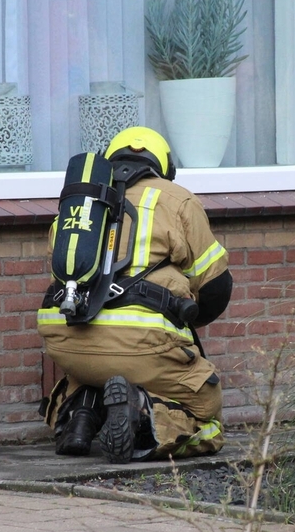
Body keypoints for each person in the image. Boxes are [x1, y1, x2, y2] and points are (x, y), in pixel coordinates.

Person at [37, 126, 233, 463]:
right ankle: (143, 414)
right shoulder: (176, 199)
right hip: (145, 343)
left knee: (96, 366)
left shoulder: (81, 204)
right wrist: (182, 319)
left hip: (66, 340)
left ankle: (80, 414)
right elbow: (215, 286)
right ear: (162, 165)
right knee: (206, 408)